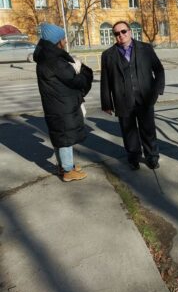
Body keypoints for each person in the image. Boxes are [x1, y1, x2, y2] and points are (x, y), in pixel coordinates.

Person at [101, 21, 165, 170]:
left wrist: (157, 90)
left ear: (130, 32)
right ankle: (133, 158)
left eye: (123, 31)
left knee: (148, 130)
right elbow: (106, 81)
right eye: (116, 33)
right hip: (123, 100)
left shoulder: (145, 49)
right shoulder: (108, 55)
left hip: (145, 98)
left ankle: (152, 157)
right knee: (129, 133)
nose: (121, 35)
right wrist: (107, 103)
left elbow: (159, 70)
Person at [34, 23, 93, 182]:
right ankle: (67, 171)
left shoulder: (46, 56)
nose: (65, 41)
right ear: (57, 41)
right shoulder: (54, 59)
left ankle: (67, 166)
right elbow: (73, 79)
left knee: (61, 135)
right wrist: (82, 71)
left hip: (56, 103)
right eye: (63, 38)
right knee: (65, 137)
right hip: (61, 105)